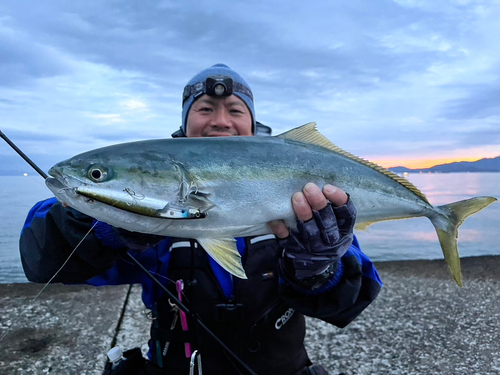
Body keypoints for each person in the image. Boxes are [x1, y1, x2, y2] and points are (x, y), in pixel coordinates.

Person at [20, 64, 382, 375]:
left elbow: (353, 296)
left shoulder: (305, 191)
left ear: (253, 124)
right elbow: (43, 256)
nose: (221, 121)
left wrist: (321, 267)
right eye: (206, 108)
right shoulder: (143, 214)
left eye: (236, 111)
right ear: (185, 122)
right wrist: (102, 225)